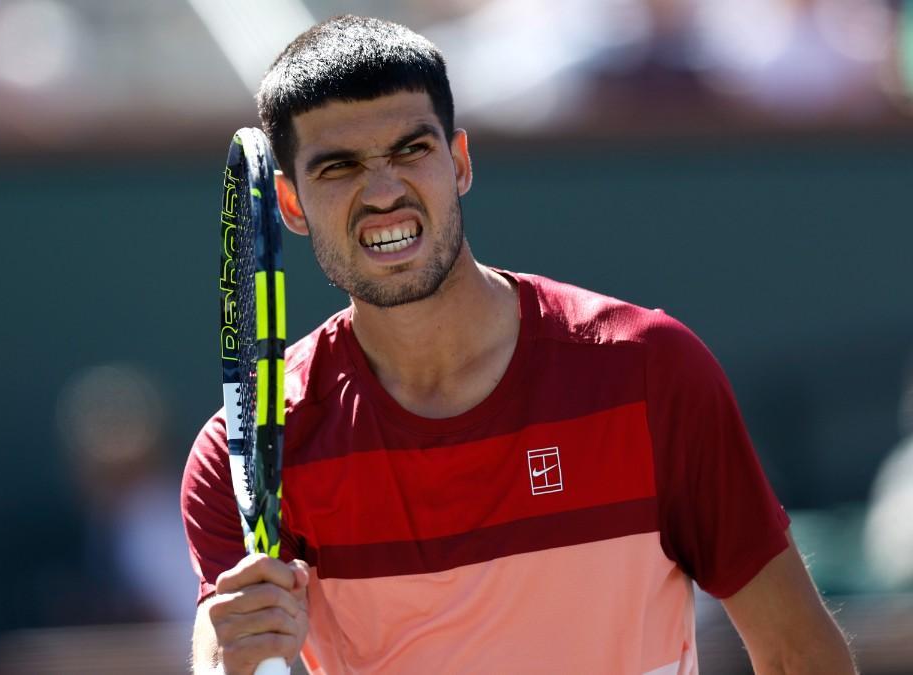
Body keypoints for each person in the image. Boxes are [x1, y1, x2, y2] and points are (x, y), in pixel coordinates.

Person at [181, 15, 855, 675]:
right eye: (341, 167)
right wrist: (232, 665)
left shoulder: (652, 372)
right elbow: (223, 653)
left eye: (411, 149)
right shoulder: (238, 454)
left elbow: (800, 654)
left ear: (461, 162)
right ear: (291, 206)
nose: (384, 191)